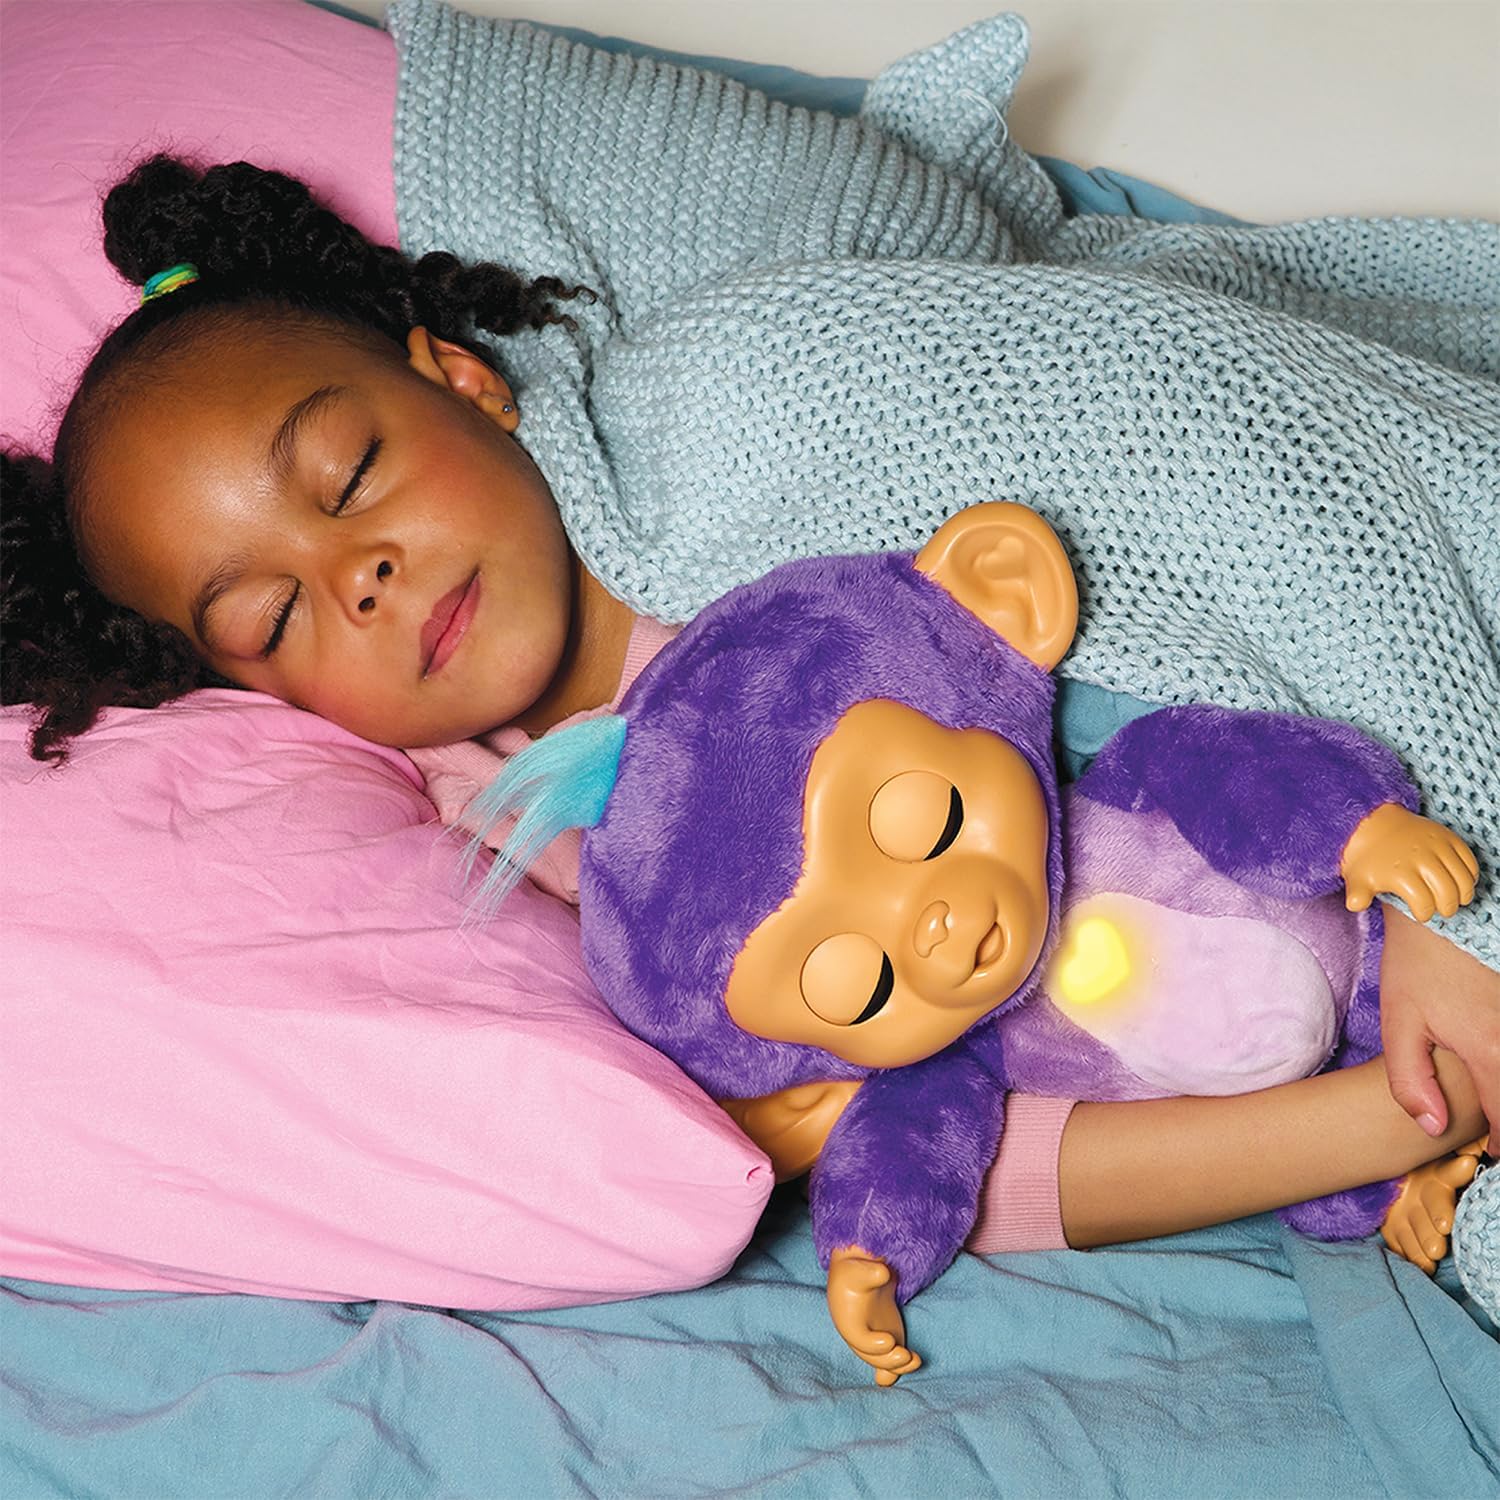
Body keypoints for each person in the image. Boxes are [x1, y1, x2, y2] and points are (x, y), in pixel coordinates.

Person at [1, 156, 1492, 1292]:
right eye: (275, 619)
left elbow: (1225, 443)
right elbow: (933, 1143)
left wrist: (1452, 917)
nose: (361, 578)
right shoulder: (544, 852)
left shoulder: (744, 412)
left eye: (350, 474)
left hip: (1390, 777)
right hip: (1321, 1067)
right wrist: (1386, 1121)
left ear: (458, 377)